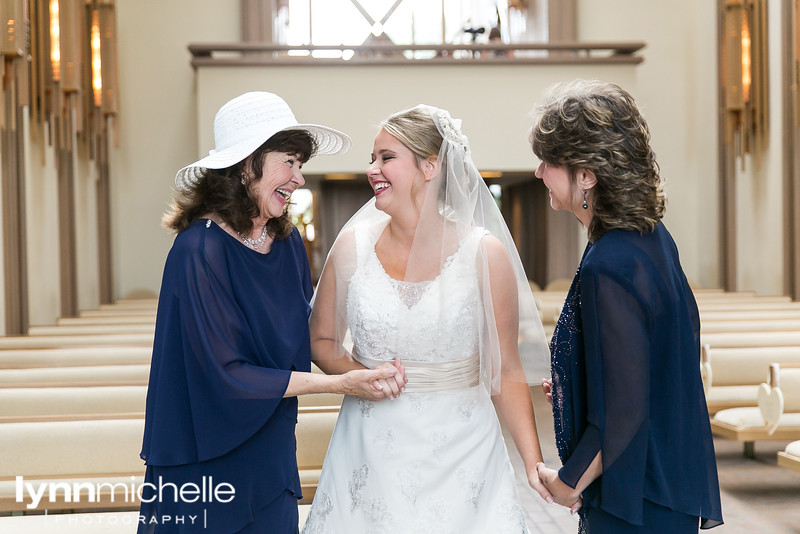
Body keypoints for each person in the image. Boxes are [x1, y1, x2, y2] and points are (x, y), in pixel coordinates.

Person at [138, 91, 405, 534]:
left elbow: (305, 338)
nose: (299, 178)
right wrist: (341, 384)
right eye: (289, 162)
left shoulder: (286, 244)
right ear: (247, 166)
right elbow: (226, 375)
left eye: (300, 164)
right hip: (203, 459)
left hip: (271, 451)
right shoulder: (197, 251)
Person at [301, 104, 553, 533]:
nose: (372, 169)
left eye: (386, 157)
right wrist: (362, 375)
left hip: (464, 451)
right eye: (372, 158)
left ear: (430, 166)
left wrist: (534, 465)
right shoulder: (351, 246)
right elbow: (321, 341)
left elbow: (505, 369)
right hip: (370, 448)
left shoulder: (483, 253)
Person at [530, 80, 724, 533]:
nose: (539, 172)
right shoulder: (651, 238)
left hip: (636, 495)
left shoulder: (610, 263)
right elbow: (649, 368)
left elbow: (626, 409)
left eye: (550, 161)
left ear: (587, 175)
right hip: (663, 479)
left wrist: (567, 482)